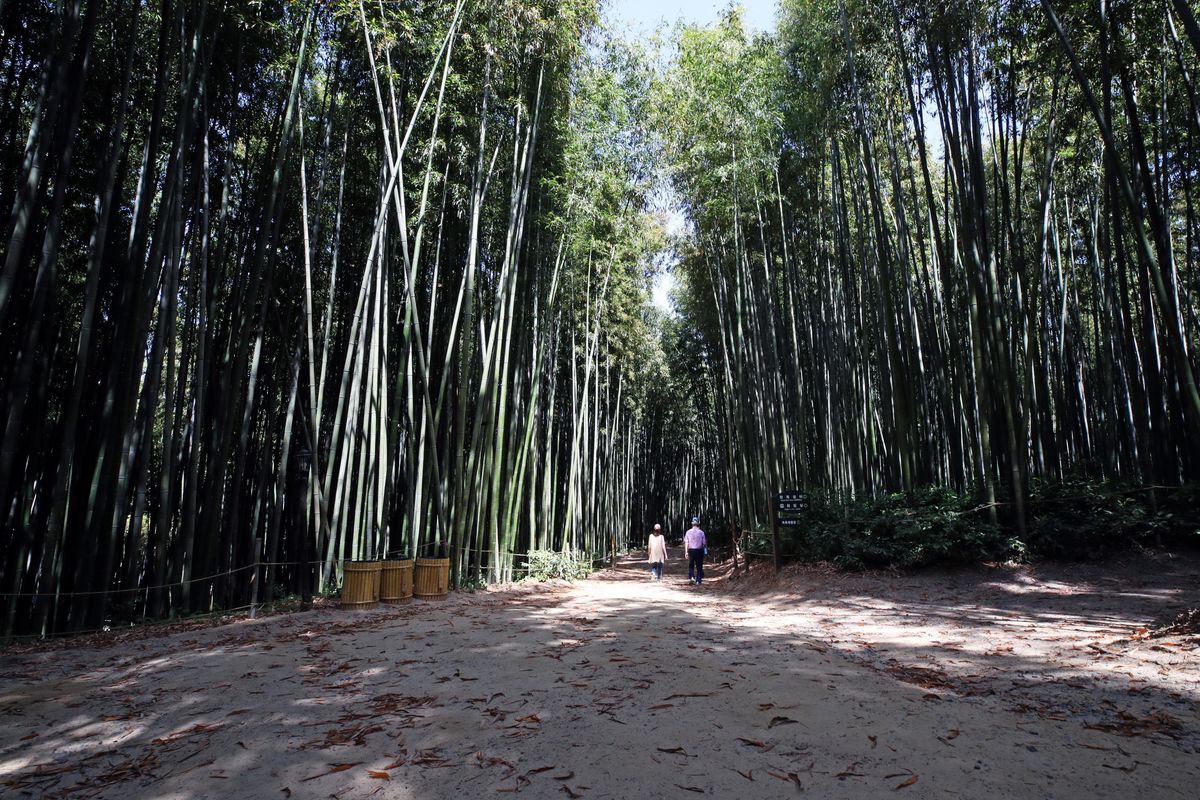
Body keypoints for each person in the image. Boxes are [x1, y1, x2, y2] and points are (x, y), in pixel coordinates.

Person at [683, 516, 707, 585]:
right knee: (699, 565)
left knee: (691, 565)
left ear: (692, 524)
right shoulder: (701, 532)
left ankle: (692, 578)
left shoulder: (688, 532)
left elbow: (686, 543)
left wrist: (686, 552)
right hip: (699, 550)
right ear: (698, 523)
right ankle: (698, 580)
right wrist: (705, 551)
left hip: (691, 550)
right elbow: (704, 543)